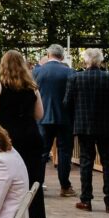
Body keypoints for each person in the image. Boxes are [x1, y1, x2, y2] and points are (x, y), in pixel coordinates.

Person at [0, 50, 46, 218]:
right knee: (33, 180)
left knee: (5, 179)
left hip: (7, 138)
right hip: (31, 136)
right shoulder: (32, 87)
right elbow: (39, 115)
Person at [65, 47, 109, 213]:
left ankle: (86, 200)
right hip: (107, 127)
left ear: (86, 61)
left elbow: (67, 104)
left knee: (86, 162)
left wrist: (78, 117)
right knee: (108, 164)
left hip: (84, 127)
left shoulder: (76, 79)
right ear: (101, 61)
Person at [34, 44, 76, 197]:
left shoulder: (37, 72)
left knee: (42, 153)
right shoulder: (70, 72)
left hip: (43, 118)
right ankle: (65, 186)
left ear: (48, 54)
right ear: (62, 57)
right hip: (65, 118)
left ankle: (37, 186)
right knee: (64, 152)